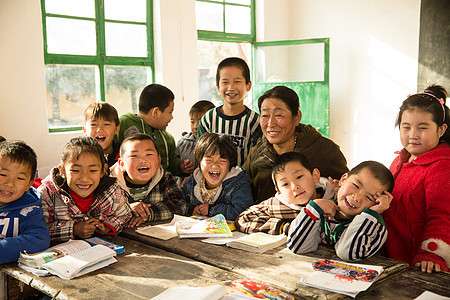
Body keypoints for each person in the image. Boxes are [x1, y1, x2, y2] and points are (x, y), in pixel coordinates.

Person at [383, 85, 450, 273]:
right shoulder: (399, 160)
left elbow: (443, 216)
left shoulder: (443, 165)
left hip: (422, 266)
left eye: (422, 128)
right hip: (391, 260)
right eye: (406, 127)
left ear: (441, 129)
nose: (413, 135)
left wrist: (432, 254)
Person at [243, 86, 348, 203]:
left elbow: (347, 190)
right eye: (265, 116)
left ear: (297, 117)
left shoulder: (324, 150)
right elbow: (243, 193)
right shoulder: (257, 154)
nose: (271, 123)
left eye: (278, 115)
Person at [287, 161, 394, 262]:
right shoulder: (321, 210)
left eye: (369, 198)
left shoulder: (375, 226)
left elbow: (346, 253)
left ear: (376, 204)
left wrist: (370, 215)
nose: (357, 198)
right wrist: (314, 208)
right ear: (343, 180)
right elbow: (297, 246)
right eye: (355, 186)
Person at [39, 136, 132, 243]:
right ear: (62, 171)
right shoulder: (47, 194)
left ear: (103, 170)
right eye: (75, 170)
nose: (84, 178)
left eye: (92, 170)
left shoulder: (113, 191)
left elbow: (125, 214)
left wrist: (107, 227)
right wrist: (73, 229)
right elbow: (39, 228)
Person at [235, 152, 335, 235]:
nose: (295, 186)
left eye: (299, 177)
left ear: (315, 176)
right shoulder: (277, 205)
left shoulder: (334, 198)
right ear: (278, 191)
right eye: (285, 184)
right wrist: (285, 227)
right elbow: (243, 220)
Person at [116, 83, 194, 177]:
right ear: (156, 112)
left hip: (161, 186)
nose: (171, 117)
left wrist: (181, 167)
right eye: (170, 112)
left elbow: (172, 165)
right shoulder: (124, 123)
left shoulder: (167, 138)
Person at [110, 133, 186, 227]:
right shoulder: (110, 183)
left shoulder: (164, 178)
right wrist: (127, 209)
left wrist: (149, 213)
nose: (143, 160)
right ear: (122, 164)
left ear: (159, 161)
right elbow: (101, 212)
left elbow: (180, 206)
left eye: (149, 154)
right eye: (134, 155)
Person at [197, 57, 262, 166]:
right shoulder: (208, 119)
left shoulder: (255, 122)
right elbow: (200, 155)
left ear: (248, 85)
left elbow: (257, 161)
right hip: (212, 179)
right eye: (225, 82)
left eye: (237, 82)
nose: (231, 88)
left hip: (243, 181)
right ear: (218, 86)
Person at [182, 133, 253, 221]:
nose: (215, 165)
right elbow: (181, 206)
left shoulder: (239, 182)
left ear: (230, 164)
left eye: (222, 160)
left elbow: (243, 211)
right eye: (209, 160)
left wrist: (212, 210)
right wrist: (192, 210)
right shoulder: (191, 182)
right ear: (199, 161)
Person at [0, 141, 50, 264]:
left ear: (28, 184)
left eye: (20, 178)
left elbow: (39, 240)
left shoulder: (30, 209)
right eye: (3, 174)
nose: (9, 183)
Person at [177, 100, 215, 168]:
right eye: (192, 122)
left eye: (201, 122)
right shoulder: (182, 144)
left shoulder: (216, 144)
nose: (195, 127)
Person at [83, 102, 121, 168]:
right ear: (85, 130)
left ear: (116, 129)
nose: (99, 129)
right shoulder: (79, 155)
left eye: (106, 124)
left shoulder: (124, 154)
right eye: (93, 124)